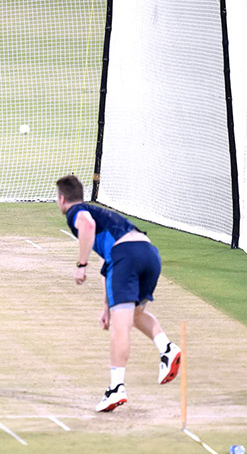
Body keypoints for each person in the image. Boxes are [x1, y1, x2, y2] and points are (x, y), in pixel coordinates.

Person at [56, 174, 181, 412]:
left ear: (62, 199)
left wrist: (81, 265)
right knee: (134, 314)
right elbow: (109, 266)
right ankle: (167, 349)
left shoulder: (76, 212)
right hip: (149, 254)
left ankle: (116, 389)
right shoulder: (106, 216)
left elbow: (88, 225)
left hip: (126, 256)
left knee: (121, 327)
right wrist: (106, 307)